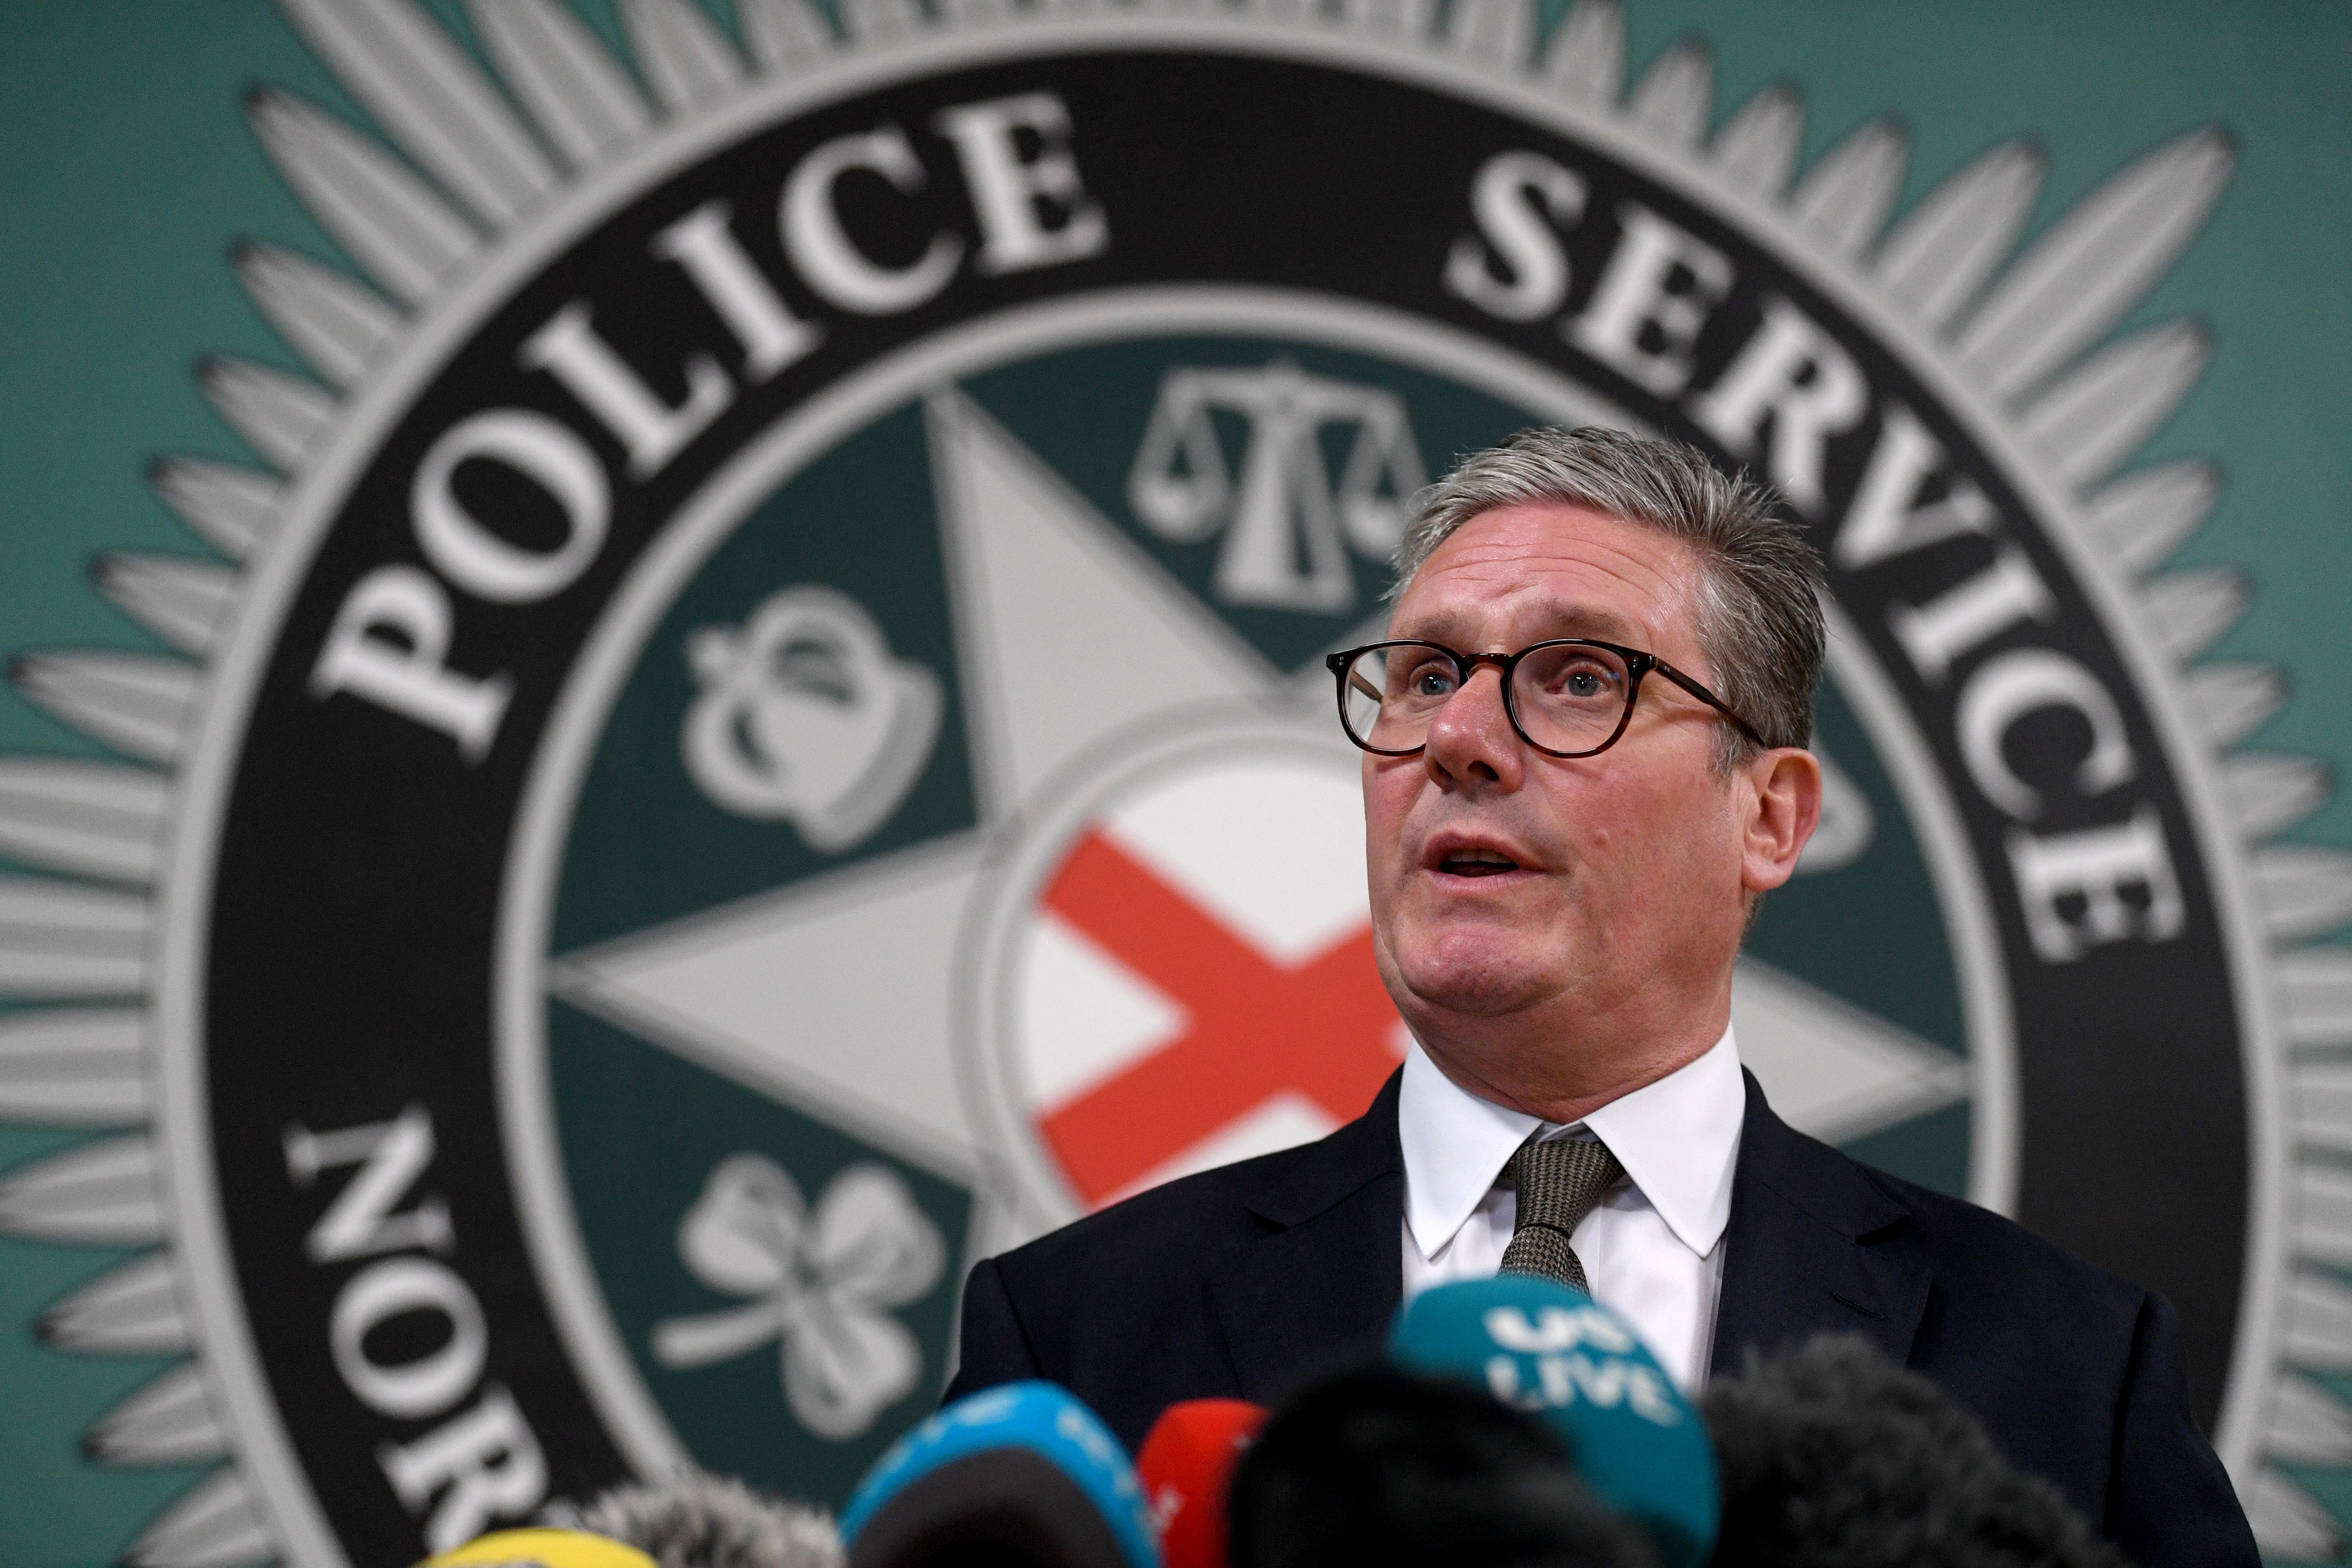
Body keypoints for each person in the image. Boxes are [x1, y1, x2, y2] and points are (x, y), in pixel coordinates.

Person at [944, 427, 2255, 1565]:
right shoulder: (1076, 1335)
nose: (1459, 739)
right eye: (1427, 676)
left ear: (1769, 817)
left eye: (1581, 679)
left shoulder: (2069, 1367)